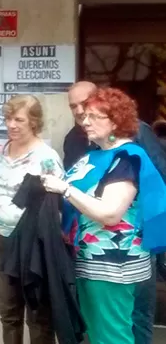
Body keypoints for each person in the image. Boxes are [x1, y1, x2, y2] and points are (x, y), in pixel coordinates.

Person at [43, 87, 166, 344]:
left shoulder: (126, 158)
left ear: (116, 121)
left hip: (114, 265)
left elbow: (110, 213)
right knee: (100, 335)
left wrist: (64, 189)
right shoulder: (95, 155)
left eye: (94, 117)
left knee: (113, 337)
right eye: (84, 115)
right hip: (92, 261)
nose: (85, 121)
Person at [0, 95, 63, 344]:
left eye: (18, 119)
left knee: (37, 312)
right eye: (8, 119)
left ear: (34, 121)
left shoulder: (46, 156)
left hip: (30, 242)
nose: (11, 125)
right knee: (8, 311)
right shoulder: (6, 148)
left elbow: (57, 206)